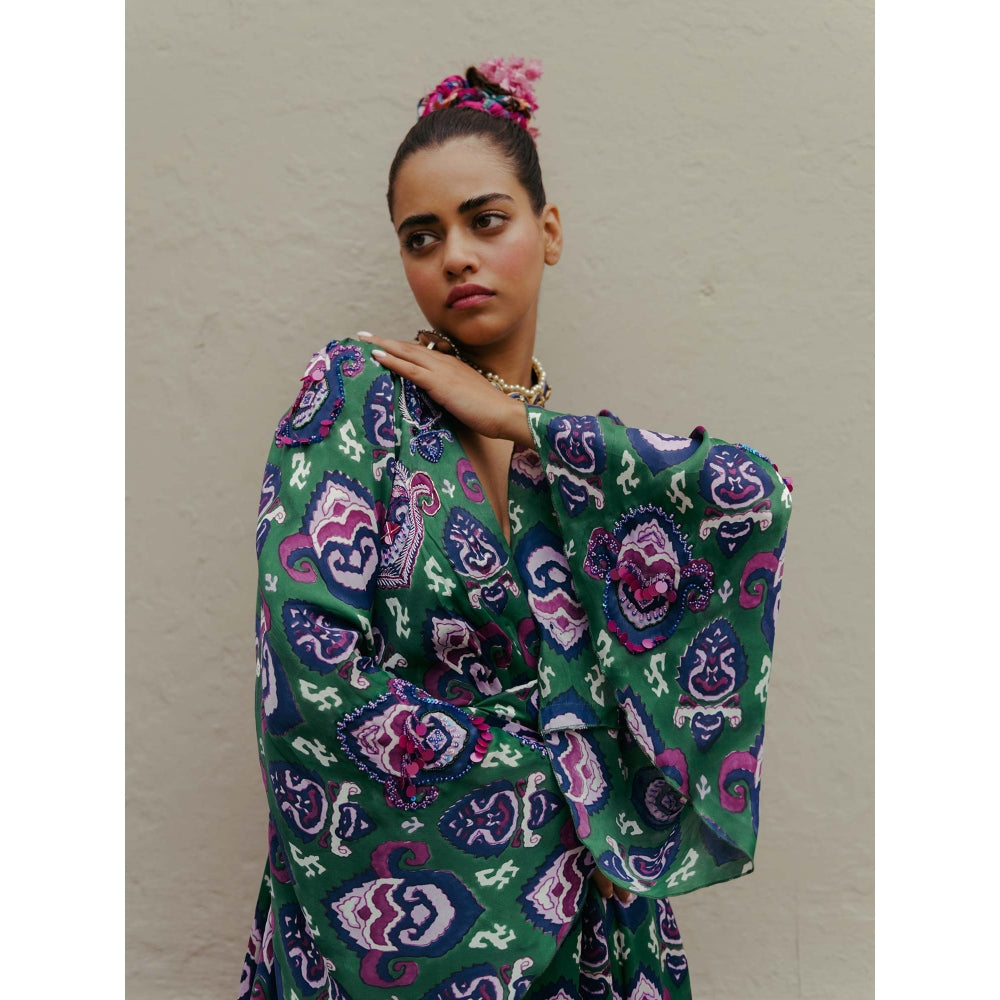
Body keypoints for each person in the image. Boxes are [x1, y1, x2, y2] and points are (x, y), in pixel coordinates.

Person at [238, 57, 793, 1000]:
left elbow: (753, 496)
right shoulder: (357, 393)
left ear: (550, 231)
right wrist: (568, 793)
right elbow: (303, 673)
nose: (454, 255)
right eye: (422, 237)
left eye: (485, 220)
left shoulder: (577, 469)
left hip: (594, 931)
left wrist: (520, 423)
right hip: (406, 904)